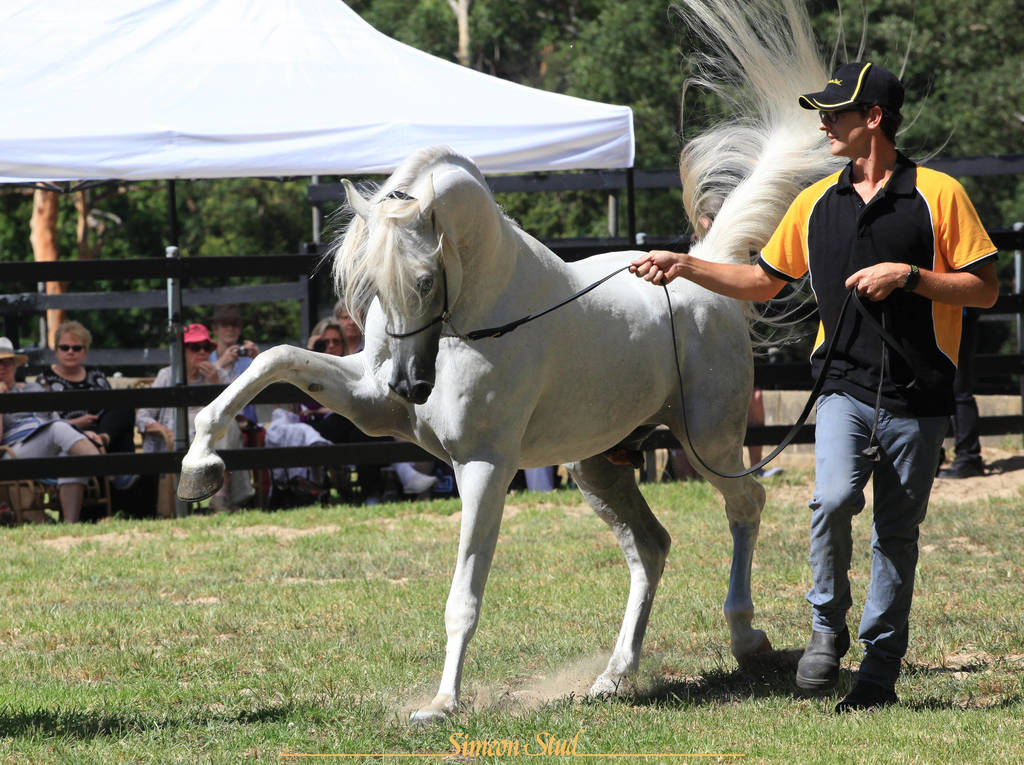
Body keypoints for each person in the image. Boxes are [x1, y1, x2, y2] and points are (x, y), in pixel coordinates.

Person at [630, 62, 998, 712]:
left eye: (837, 113)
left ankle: (879, 672)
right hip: (843, 388)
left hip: (920, 396)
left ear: (874, 119)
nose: (824, 124)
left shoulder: (939, 196)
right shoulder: (813, 205)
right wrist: (685, 263)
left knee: (896, 536)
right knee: (830, 499)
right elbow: (763, 281)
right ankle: (826, 627)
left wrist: (910, 276)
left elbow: (985, 287)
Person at [301, 321, 437, 500]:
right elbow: (304, 408)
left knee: (364, 430)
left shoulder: (346, 369)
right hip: (319, 429)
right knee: (362, 421)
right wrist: (309, 353)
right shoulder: (306, 369)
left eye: (337, 341)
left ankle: (372, 494)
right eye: (325, 342)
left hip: (348, 428)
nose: (332, 346)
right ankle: (399, 475)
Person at [136, 323, 253, 512]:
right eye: (195, 347)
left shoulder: (219, 375)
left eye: (206, 348)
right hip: (180, 437)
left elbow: (238, 414)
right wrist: (165, 431)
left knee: (227, 427)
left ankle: (219, 498)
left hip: (214, 435)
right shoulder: (167, 375)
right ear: (182, 352)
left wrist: (215, 386)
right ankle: (222, 501)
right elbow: (142, 416)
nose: (202, 352)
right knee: (219, 430)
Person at [0, 336, 104, 522]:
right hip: (13, 452)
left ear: (15, 365)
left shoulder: (33, 388)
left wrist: (79, 435)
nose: (2, 367)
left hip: (47, 442)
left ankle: (70, 525)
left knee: (70, 454)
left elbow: (55, 418)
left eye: (6, 362)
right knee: (57, 429)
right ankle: (108, 469)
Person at [35, 320, 137, 490]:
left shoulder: (95, 374)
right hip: (70, 435)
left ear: (85, 351)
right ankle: (117, 472)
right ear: (56, 351)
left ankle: (103, 440)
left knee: (124, 404)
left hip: (102, 428)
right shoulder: (44, 380)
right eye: (64, 347)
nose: (70, 352)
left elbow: (112, 403)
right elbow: (44, 423)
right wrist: (76, 423)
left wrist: (103, 431)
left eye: (77, 348)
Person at [938, 308, 984, 478]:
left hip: (956, 316)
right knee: (949, 391)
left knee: (960, 392)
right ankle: (937, 457)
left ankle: (969, 458)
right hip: (939, 318)